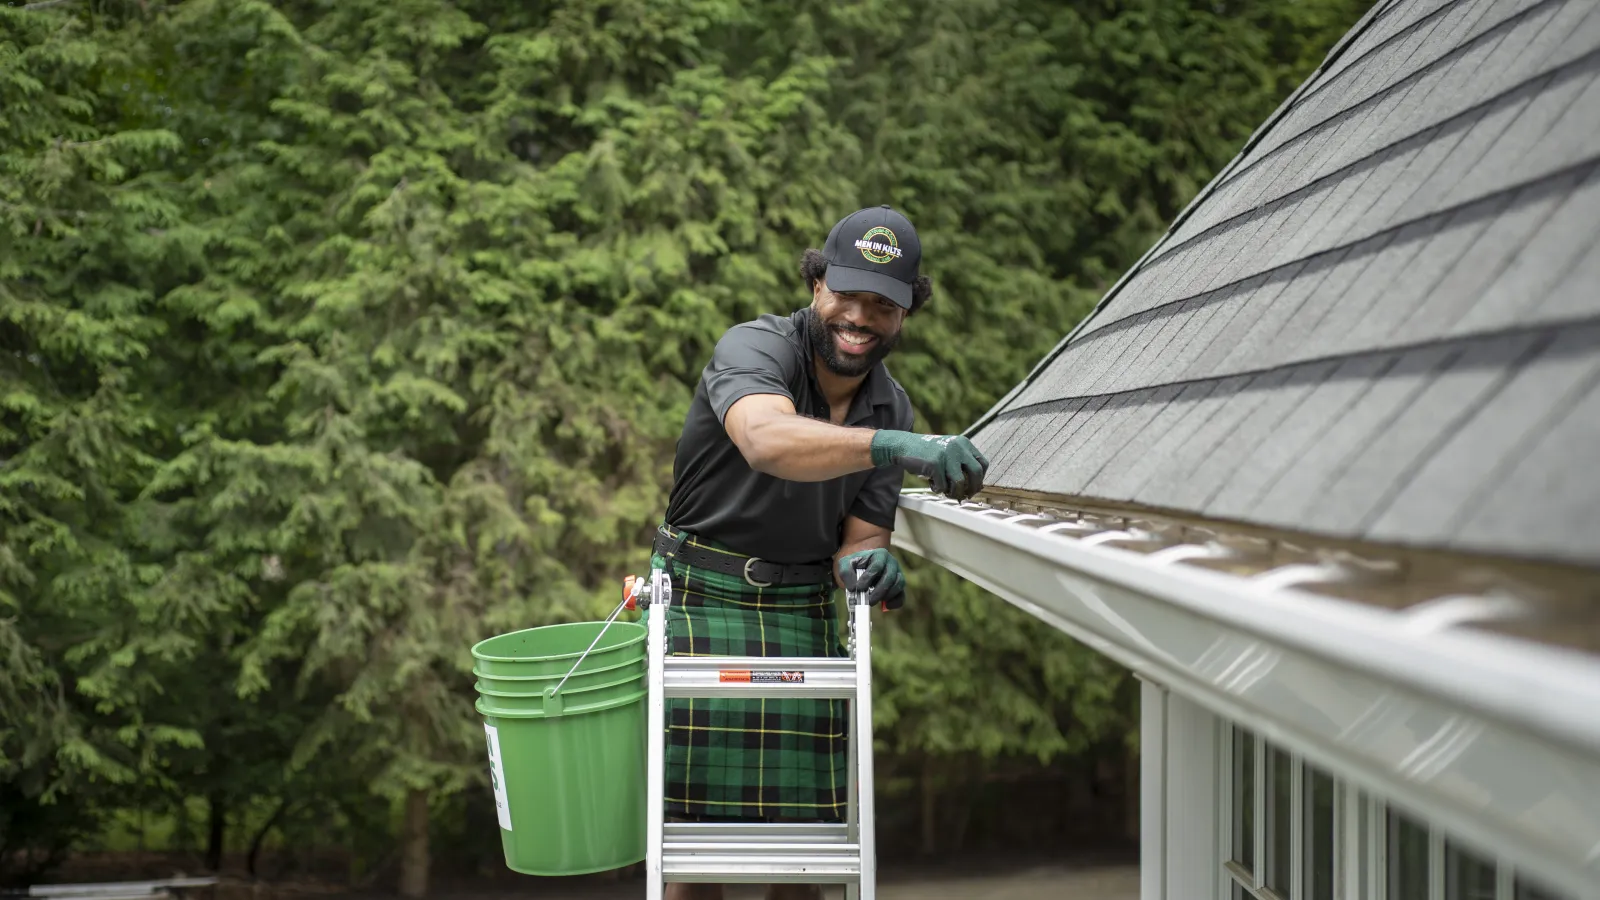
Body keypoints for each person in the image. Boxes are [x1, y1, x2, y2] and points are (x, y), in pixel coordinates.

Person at [650, 205, 989, 900]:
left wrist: (869, 567)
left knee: (806, 849)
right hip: (698, 599)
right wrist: (893, 449)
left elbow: (857, 543)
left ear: (905, 315)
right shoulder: (755, 348)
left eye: (882, 304)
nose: (859, 317)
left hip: (804, 608)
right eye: (847, 294)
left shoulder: (893, 409)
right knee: (688, 849)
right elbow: (767, 441)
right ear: (815, 286)